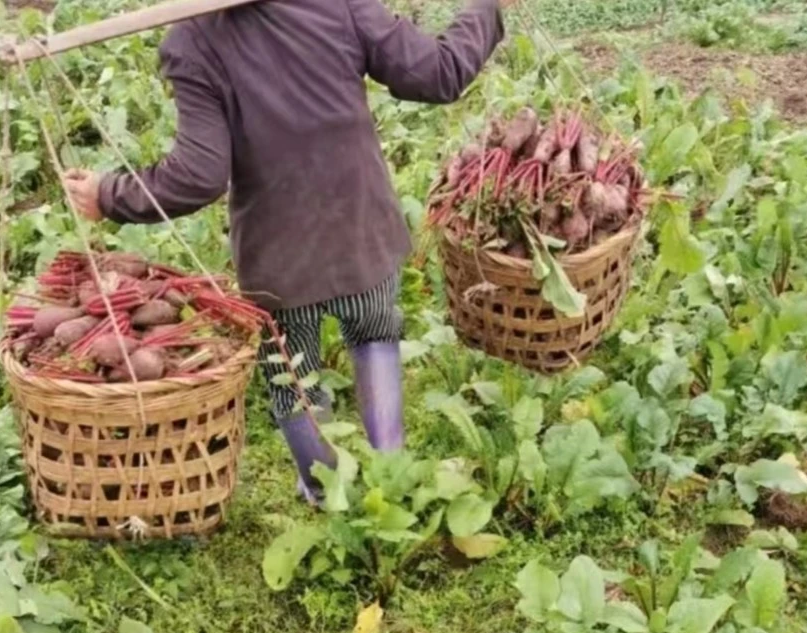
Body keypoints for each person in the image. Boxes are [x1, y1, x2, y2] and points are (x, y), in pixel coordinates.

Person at [65, 0, 507, 502]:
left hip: (279, 259)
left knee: (293, 374)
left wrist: (108, 195)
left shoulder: (193, 41)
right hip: (360, 229)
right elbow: (435, 73)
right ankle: (389, 472)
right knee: (374, 332)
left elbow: (198, 175)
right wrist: (486, 9)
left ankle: (325, 490)